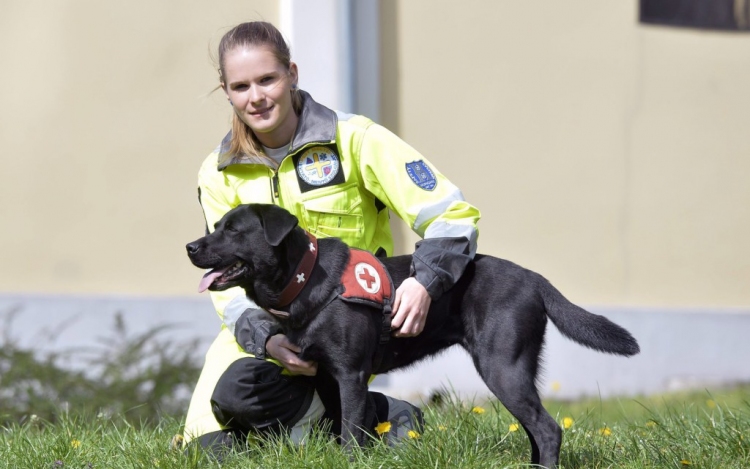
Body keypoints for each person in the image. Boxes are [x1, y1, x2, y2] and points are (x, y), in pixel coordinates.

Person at [183, 21, 481, 451]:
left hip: (347, 325)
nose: (257, 97)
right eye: (241, 86)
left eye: (268, 79)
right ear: (226, 91)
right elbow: (226, 281)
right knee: (206, 445)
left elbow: (451, 216)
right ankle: (360, 421)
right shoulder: (217, 172)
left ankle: (349, 422)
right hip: (272, 329)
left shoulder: (356, 139)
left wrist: (425, 282)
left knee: (248, 437)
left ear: (292, 74)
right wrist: (265, 339)